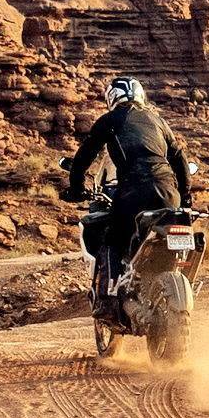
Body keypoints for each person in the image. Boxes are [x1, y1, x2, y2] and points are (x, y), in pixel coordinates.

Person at [61, 74, 191, 300]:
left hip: (133, 191)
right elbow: (179, 159)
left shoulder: (110, 120)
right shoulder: (158, 120)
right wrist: (185, 195)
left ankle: (110, 293)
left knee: (111, 237)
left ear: (112, 97)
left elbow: (84, 157)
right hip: (169, 193)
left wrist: (75, 189)